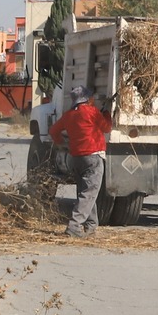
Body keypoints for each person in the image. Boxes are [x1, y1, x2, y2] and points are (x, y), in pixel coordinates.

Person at [48, 86, 113, 237]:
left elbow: (53, 131)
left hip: (76, 158)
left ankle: (90, 227)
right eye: (91, 98)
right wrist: (107, 115)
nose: (92, 100)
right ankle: (74, 227)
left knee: (86, 192)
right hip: (93, 157)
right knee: (89, 193)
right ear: (87, 99)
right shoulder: (92, 112)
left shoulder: (68, 115)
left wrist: (61, 143)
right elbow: (107, 128)